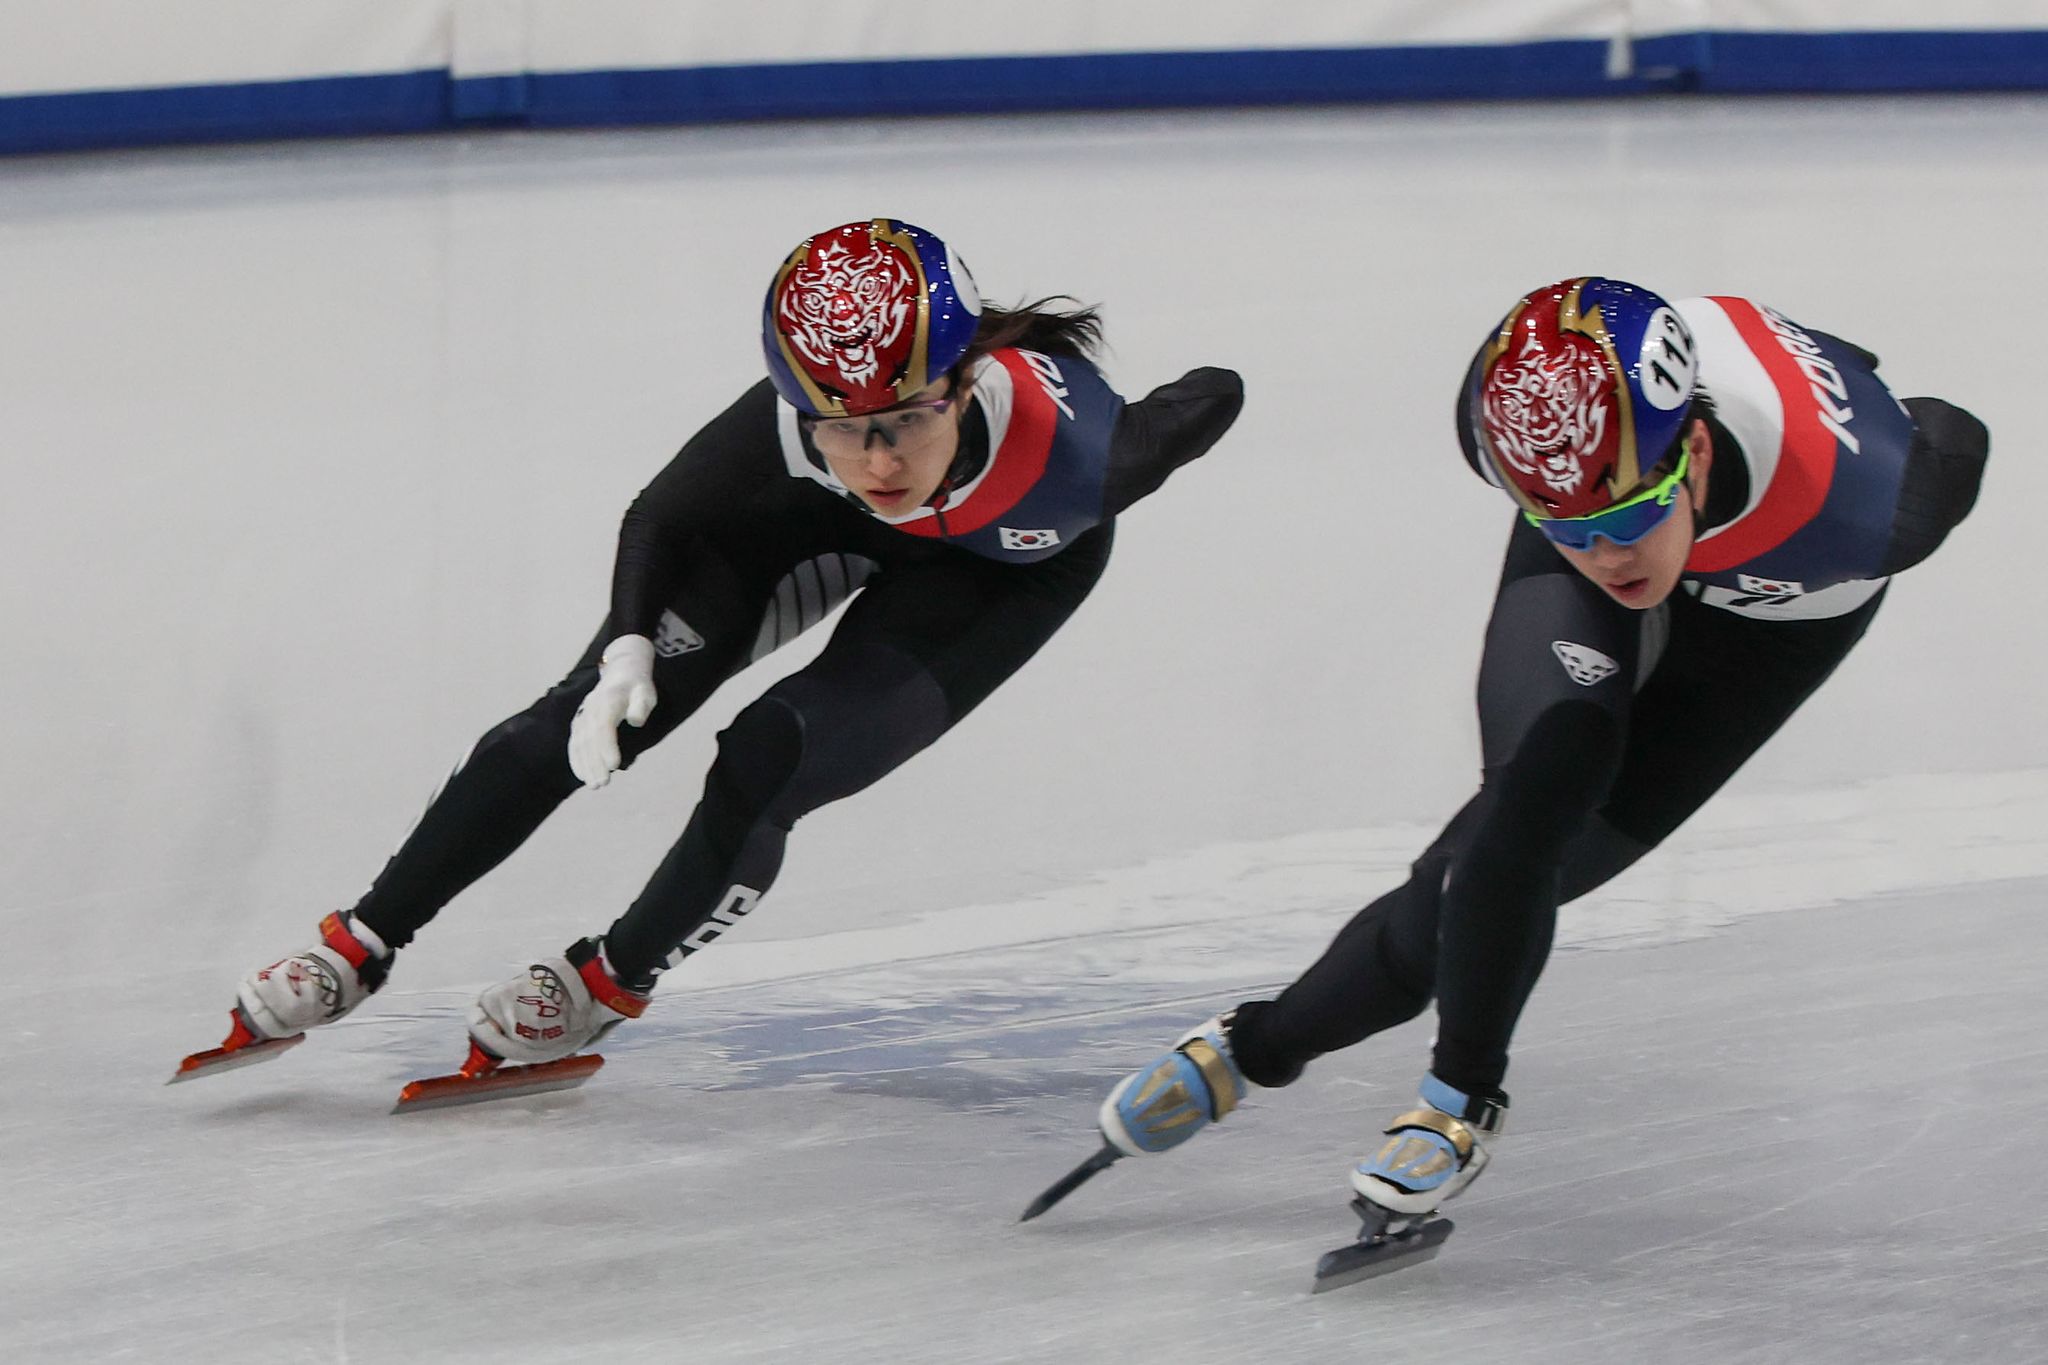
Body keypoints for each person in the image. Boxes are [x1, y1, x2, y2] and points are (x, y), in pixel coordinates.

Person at [207, 218, 1243, 1078]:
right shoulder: (801, 423)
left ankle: (608, 982)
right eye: (838, 426)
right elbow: (662, 515)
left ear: (964, 382)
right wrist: (624, 652)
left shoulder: (1081, 459)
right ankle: (363, 938)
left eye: (901, 421)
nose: (876, 459)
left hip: (997, 574)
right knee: (583, 717)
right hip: (807, 527)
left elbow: (1217, 389)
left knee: (770, 756)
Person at [1092, 276, 1987, 1226]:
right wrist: (1595, 519)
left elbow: (1950, 427)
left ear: (1693, 449)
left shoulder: (1874, 504)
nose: (1608, 556)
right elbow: (1595, 512)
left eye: (1625, 521)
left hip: (1772, 623)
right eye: (1572, 530)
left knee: (1499, 890)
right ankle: (1423, 1090)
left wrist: (1841, 377)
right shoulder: (1512, 425)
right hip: (1647, 492)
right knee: (1517, 819)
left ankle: (1262, 1048)